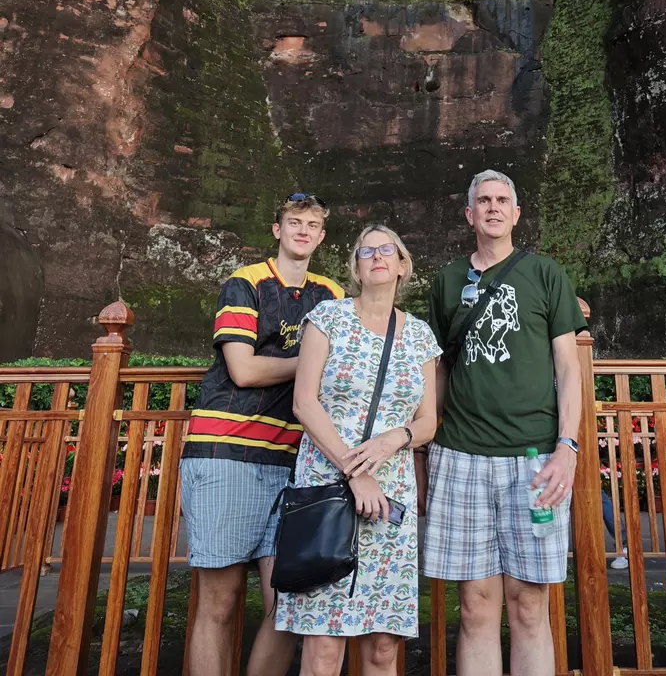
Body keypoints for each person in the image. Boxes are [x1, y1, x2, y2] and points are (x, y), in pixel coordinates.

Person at [424, 170, 586, 676]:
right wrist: (422, 446)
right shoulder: (447, 281)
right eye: (483, 201)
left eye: (502, 200)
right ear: (469, 214)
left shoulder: (545, 274)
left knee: (530, 605)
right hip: (461, 454)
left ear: (516, 214)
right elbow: (439, 370)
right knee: (474, 606)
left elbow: (568, 367)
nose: (493, 207)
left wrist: (568, 447)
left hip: (534, 459)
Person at [179, 193, 342, 676]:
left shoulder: (331, 294)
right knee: (220, 599)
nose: (302, 231)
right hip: (229, 450)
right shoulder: (245, 283)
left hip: (293, 461)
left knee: (287, 604)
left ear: (321, 236)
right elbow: (244, 369)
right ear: (277, 230)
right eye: (294, 222)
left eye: (311, 225)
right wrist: (312, 362)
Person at [275, 225, 441, 675]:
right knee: (324, 646)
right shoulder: (328, 318)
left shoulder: (420, 336)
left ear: (402, 266)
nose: (377, 257)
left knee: (383, 646)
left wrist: (395, 438)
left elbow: (428, 420)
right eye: (366, 252)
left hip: (391, 497)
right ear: (356, 268)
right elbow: (304, 402)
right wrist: (356, 471)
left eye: (387, 250)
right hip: (329, 488)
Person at [576, 295, 628, 571]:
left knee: (593, 492)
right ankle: (621, 545)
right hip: (563, 429)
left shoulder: (570, 349)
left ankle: (623, 545)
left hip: (574, 431)